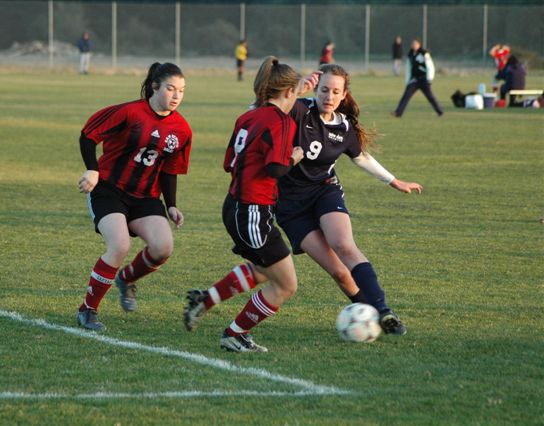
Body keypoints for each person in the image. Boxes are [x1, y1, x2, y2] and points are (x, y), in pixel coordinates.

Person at [274, 63, 423, 336]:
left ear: (344, 95)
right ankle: (368, 313)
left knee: (344, 245)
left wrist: (393, 181)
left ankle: (383, 310)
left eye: (335, 92)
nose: (329, 96)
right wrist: (297, 88)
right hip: (291, 206)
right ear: (315, 89)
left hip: (324, 191)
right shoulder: (299, 109)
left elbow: (361, 157)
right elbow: (265, 109)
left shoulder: (343, 127)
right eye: (324, 90)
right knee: (340, 273)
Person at [184, 56, 317, 353]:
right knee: (285, 285)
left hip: (234, 205)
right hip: (253, 211)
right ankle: (235, 334)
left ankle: (205, 300)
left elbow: (228, 163)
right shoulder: (280, 121)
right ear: (289, 92)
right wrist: (294, 157)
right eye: (297, 92)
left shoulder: (248, 116)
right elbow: (276, 169)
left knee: (263, 269)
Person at [76, 62, 192, 331]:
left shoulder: (182, 130)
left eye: (182, 90)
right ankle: (87, 310)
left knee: (163, 247)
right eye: (170, 89)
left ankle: (126, 279)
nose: (176, 96)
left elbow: (169, 169)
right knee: (120, 246)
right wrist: (92, 169)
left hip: (145, 197)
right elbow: (88, 135)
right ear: (155, 87)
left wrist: (172, 205)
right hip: (109, 189)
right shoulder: (129, 112)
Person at [392, 38, 443, 117]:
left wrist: (429, 79)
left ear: (419, 45)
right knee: (406, 95)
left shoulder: (424, 53)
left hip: (424, 79)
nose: (413, 45)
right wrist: (407, 81)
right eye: (412, 44)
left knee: (430, 97)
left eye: (415, 44)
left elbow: (430, 66)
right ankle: (398, 112)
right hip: (414, 80)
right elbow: (408, 68)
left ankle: (440, 112)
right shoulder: (410, 54)